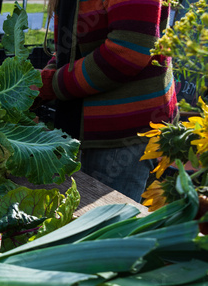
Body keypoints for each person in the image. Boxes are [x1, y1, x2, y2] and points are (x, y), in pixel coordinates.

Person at [34, 0, 178, 202]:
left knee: (107, 223)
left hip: (124, 132)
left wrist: (51, 84)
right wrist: (42, 80)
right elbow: (76, 47)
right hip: (86, 124)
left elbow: (127, 53)